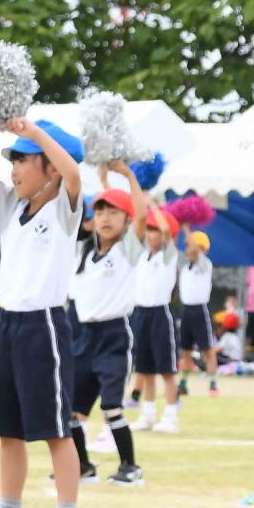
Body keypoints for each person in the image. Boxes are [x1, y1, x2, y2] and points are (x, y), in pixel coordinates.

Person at [0, 117, 89, 508]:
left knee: (54, 426)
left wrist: (36, 135)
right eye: (12, 160)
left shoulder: (63, 209)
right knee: (8, 428)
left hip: (45, 324)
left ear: (48, 165)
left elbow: (73, 174)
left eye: (23, 160)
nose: (13, 169)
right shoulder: (12, 207)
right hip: (10, 324)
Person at [68, 170, 150, 487]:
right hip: (83, 337)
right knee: (73, 412)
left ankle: (130, 466)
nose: (104, 217)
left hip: (113, 336)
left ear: (126, 219)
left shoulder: (125, 251)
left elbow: (141, 214)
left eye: (113, 211)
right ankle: (83, 466)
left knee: (112, 406)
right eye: (99, 210)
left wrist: (126, 173)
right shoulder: (84, 254)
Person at [129, 208, 183, 433]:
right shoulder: (140, 255)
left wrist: (153, 206)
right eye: (148, 230)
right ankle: (148, 415)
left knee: (167, 370)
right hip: (140, 314)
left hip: (160, 314)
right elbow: (133, 230)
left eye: (155, 230)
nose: (151, 234)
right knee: (145, 368)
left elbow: (168, 232)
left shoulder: (168, 256)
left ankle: (171, 416)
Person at [177, 230, 218, 397]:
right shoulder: (186, 267)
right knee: (186, 350)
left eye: (191, 245)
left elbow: (195, 250)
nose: (188, 248)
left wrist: (186, 229)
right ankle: (183, 383)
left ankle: (213, 384)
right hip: (186, 310)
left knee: (207, 350)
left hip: (200, 310)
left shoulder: (205, 265)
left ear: (202, 249)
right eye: (187, 245)